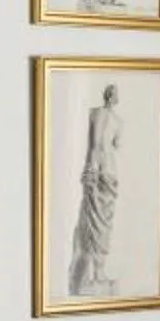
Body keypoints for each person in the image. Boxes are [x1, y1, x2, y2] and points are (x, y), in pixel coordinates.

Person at [66, 84, 123, 297]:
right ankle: (92, 274)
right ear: (112, 97)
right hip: (107, 171)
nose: (114, 96)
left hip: (98, 170)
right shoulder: (115, 120)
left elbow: (95, 145)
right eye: (115, 93)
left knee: (96, 222)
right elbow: (110, 144)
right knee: (96, 223)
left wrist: (90, 168)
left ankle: (97, 274)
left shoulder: (95, 114)